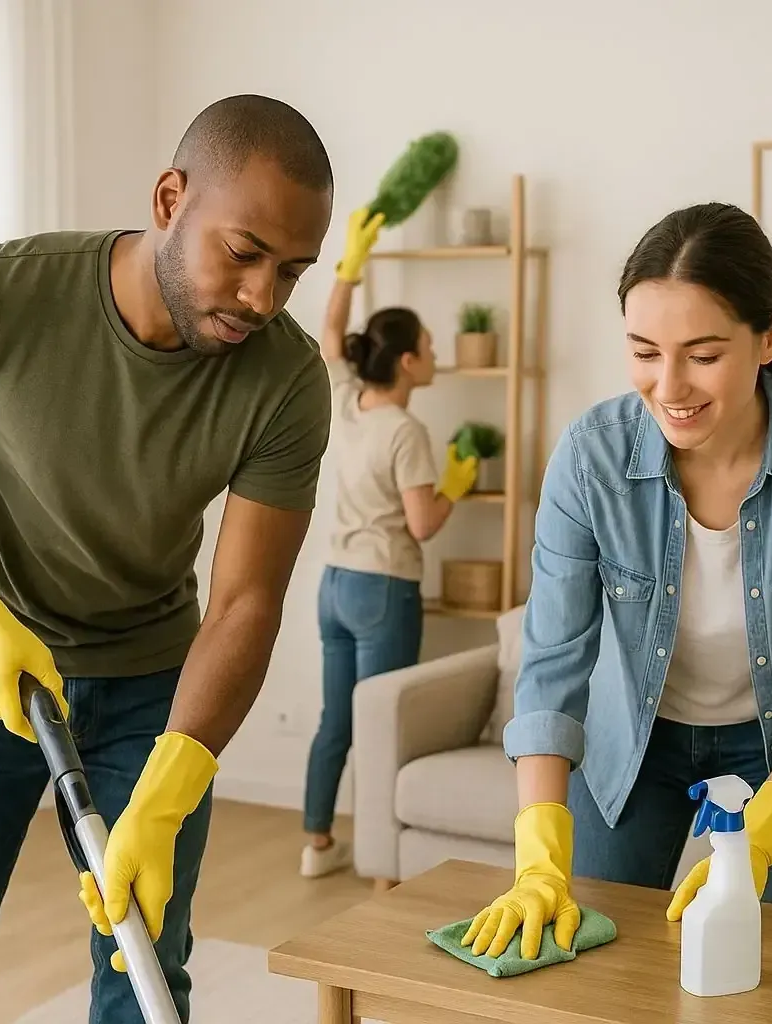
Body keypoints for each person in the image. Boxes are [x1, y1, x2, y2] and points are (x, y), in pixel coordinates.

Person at [0, 93, 336, 1022]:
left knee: (145, 963)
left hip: (146, 684)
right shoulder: (5, 296)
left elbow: (246, 600)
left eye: (292, 272)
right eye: (244, 254)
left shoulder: (285, 380)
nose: (262, 298)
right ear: (170, 199)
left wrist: (173, 785)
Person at [462, 201, 772, 961]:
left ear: (770, 336)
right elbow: (554, 662)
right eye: (643, 351)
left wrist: (758, 840)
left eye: (702, 354)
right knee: (596, 973)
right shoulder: (590, 458)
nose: (669, 386)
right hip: (632, 743)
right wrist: (535, 857)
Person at [299, 209, 479, 877]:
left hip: (335, 585)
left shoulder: (346, 403)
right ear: (406, 361)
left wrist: (349, 267)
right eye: (429, 348)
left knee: (335, 721)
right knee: (383, 723)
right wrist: (458, 484)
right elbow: (424, 523)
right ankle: (379, 856)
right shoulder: (405, 429)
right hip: (382, 589)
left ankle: (315, 843)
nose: (436, 356)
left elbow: (327, 333)